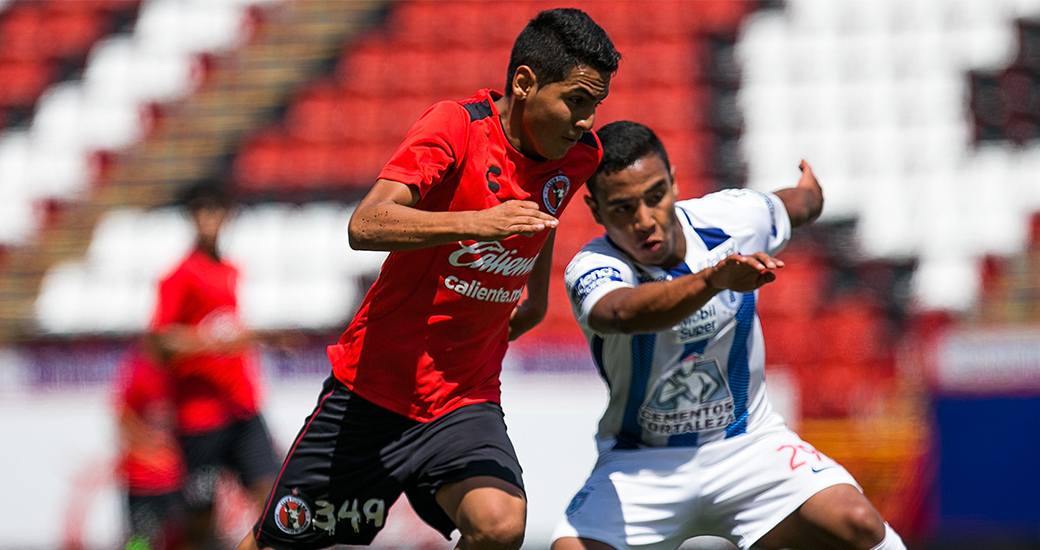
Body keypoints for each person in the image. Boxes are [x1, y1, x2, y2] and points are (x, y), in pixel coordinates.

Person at [237, 8, 619, 550]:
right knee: (276, 542)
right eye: (576, 101)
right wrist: (476, 224)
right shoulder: (457, 127)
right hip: (371, 391)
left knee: (500, 525)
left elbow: (543, 216)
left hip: (462, 402)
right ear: (525, 83)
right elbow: (365, 223)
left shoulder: (580, 155)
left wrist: (532, 299)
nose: (585, 120)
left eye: (595, 106)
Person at [552, 121, 906, 550]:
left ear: (675, 183)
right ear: (595, 210)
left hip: (747, 445)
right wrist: (713, 280)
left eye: (655, 196)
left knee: (858, 523)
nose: (644, 220)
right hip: (640, 464)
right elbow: (623, 314)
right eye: (623, 208)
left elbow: (799, 205)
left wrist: (810, 190)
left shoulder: (732, 220)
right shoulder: (591, 267)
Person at [148, 180, 283, 550]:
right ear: (190, 218)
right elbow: (160, 343)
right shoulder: (178, 276)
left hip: (242, 408)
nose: (208, 220)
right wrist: (221, 341)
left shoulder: (230, 270)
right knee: (201, 520)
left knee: (275, 501)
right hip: (199, 419)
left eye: (215, 210)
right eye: (200, 212)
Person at [113, 347, 188, 550]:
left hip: (176, 478)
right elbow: (122, 420)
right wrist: (149, 441)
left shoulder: (186, 374)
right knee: (140, 540)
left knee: (183, 537)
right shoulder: (141, 373)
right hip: (143, 478)